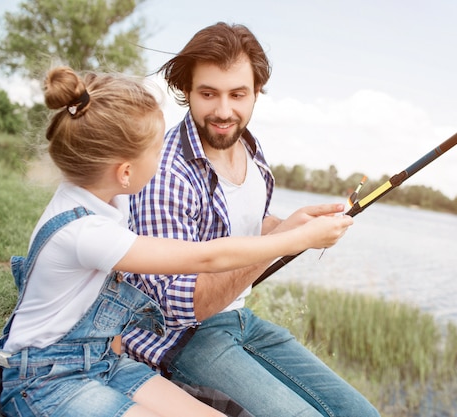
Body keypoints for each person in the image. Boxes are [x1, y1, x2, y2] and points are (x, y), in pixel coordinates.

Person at [0, 65, 353, 417]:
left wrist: (288, 225)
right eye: (156, 149)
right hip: (47, 381)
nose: (165, 156)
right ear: (126, 171)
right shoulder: (84, 232)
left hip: (105, 362)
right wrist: (293, 240)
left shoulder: (104, 196)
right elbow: (206, 258)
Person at [124, 22, 380, 417]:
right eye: (208, 93)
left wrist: (293, 224)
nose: (224, 111)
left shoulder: (250, 150)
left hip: (241, 320)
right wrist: (287, 243)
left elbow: (247, 228)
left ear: (256, 93)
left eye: (238, 94)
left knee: (361, 413)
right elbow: (179, 309)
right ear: (186, 92)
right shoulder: (167, 173)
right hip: (184, 338)